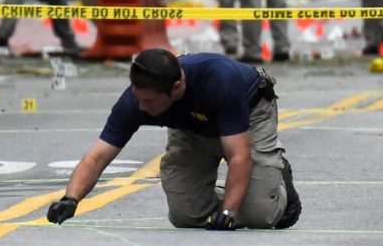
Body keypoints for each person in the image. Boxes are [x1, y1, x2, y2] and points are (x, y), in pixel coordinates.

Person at [47, 49, 301, 231]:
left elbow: (238, 156)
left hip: (247, 121)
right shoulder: (136, 101)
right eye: (139, 99)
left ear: (177, 87)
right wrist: (71, 199)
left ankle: (278, 188)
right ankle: (252, 192)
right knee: (186, 215)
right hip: (191, 129)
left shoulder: (219, 79)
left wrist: (229, 211)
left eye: (149, 101)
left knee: (259, 216)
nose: (142, 107)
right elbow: (97, 156)